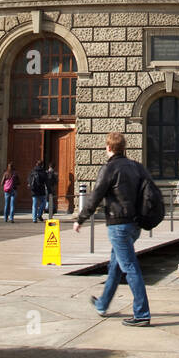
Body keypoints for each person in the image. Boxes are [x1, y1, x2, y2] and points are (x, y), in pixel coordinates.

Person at [74, 132, 151, 326]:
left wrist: (81, 218)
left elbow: (96, 195)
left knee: (130, 267)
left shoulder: (109, 168)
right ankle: (102, 304)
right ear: (124, 147)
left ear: (108, 148)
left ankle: (142, 313)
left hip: (119, 225)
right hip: (135, 225)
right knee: (115, 266)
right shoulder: (136, 167)